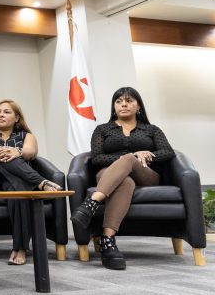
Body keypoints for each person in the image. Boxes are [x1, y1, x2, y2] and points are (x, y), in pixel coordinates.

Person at [71, 87, 175, 270]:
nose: (123, 104)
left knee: (129, 159)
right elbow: (97, 158)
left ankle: (91, 203)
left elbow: (168, 152)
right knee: (125, 180)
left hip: (145, 174)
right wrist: (130, 156)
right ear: (114, 107)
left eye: (129, 101)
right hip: (108, 173)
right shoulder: (103, 130)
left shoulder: (151, 129)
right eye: (119, 101)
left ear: (138, 106)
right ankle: (108, 241)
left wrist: (145, 155)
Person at [0, 99, 62, 265]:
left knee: (18, 190)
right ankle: (40, 182)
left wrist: (17, 151)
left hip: (13, 181)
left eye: (6, 112)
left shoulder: (27, 136)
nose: (0, 115)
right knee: (2, 155)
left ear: (17, 118)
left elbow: (30, 152)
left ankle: (19, 248)